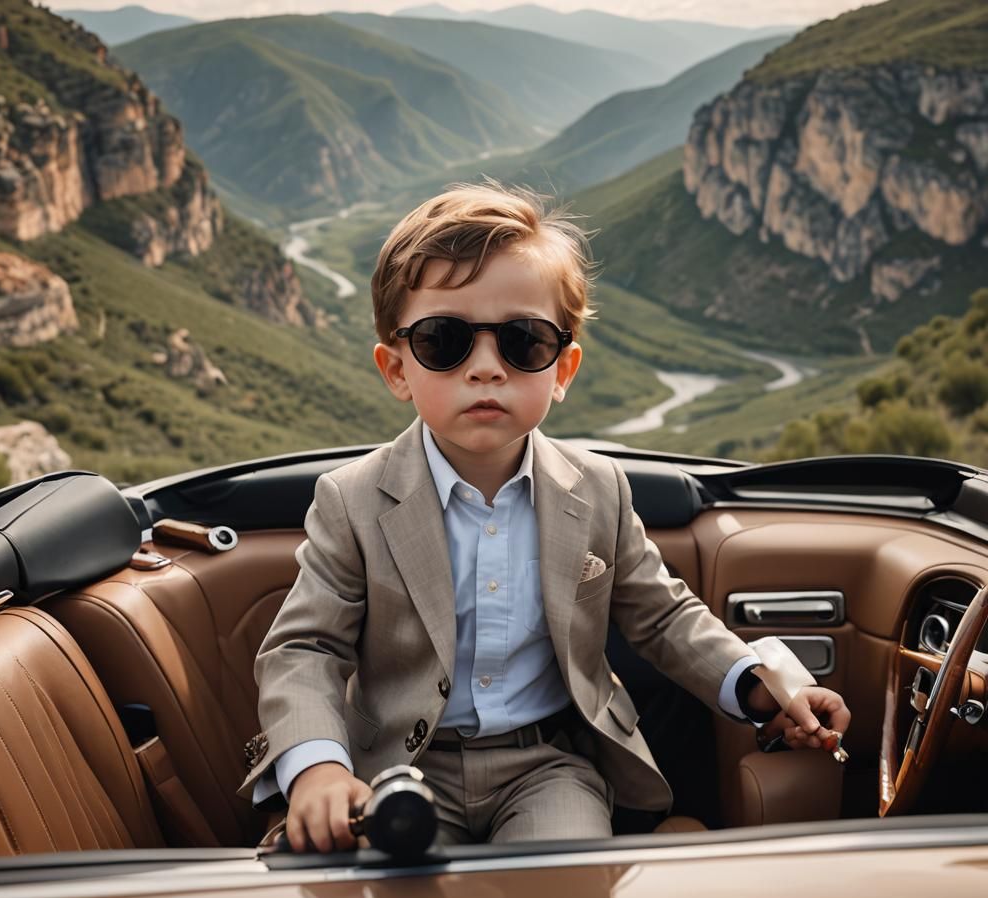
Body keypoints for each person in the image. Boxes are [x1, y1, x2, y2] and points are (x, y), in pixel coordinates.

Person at [238, 181, 850, 852]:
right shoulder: (351, 499)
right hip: (398, 769)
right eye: (445, 341)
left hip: (548, 764)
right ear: (396, 369)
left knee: (563, 893)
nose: (485, 369)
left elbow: (664, 615)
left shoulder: (598, 489)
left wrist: (758, 685)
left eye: (522, 342)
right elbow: (305, 648)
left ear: (562, 369)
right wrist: (319, 768)